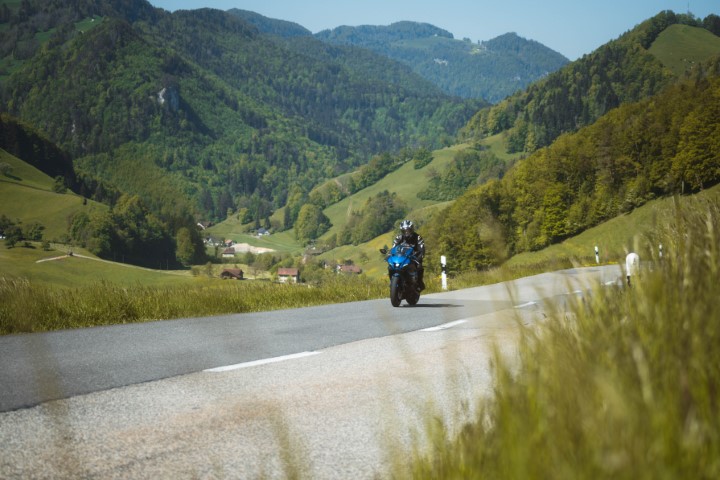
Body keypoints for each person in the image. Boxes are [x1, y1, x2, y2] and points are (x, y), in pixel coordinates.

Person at [393, 219, 425, 291]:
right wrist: (390, 254)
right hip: (402, 258)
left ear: (412, 229)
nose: (406, 232)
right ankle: (394, 282)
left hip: (414, 257)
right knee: (391, 266)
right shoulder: (399, 237)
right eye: (404, 231)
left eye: (408, 230)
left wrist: (419, 258)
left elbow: (422, 250)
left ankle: (419, 282)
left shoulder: (417, 237)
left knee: (419, 267)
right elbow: (393, 248)